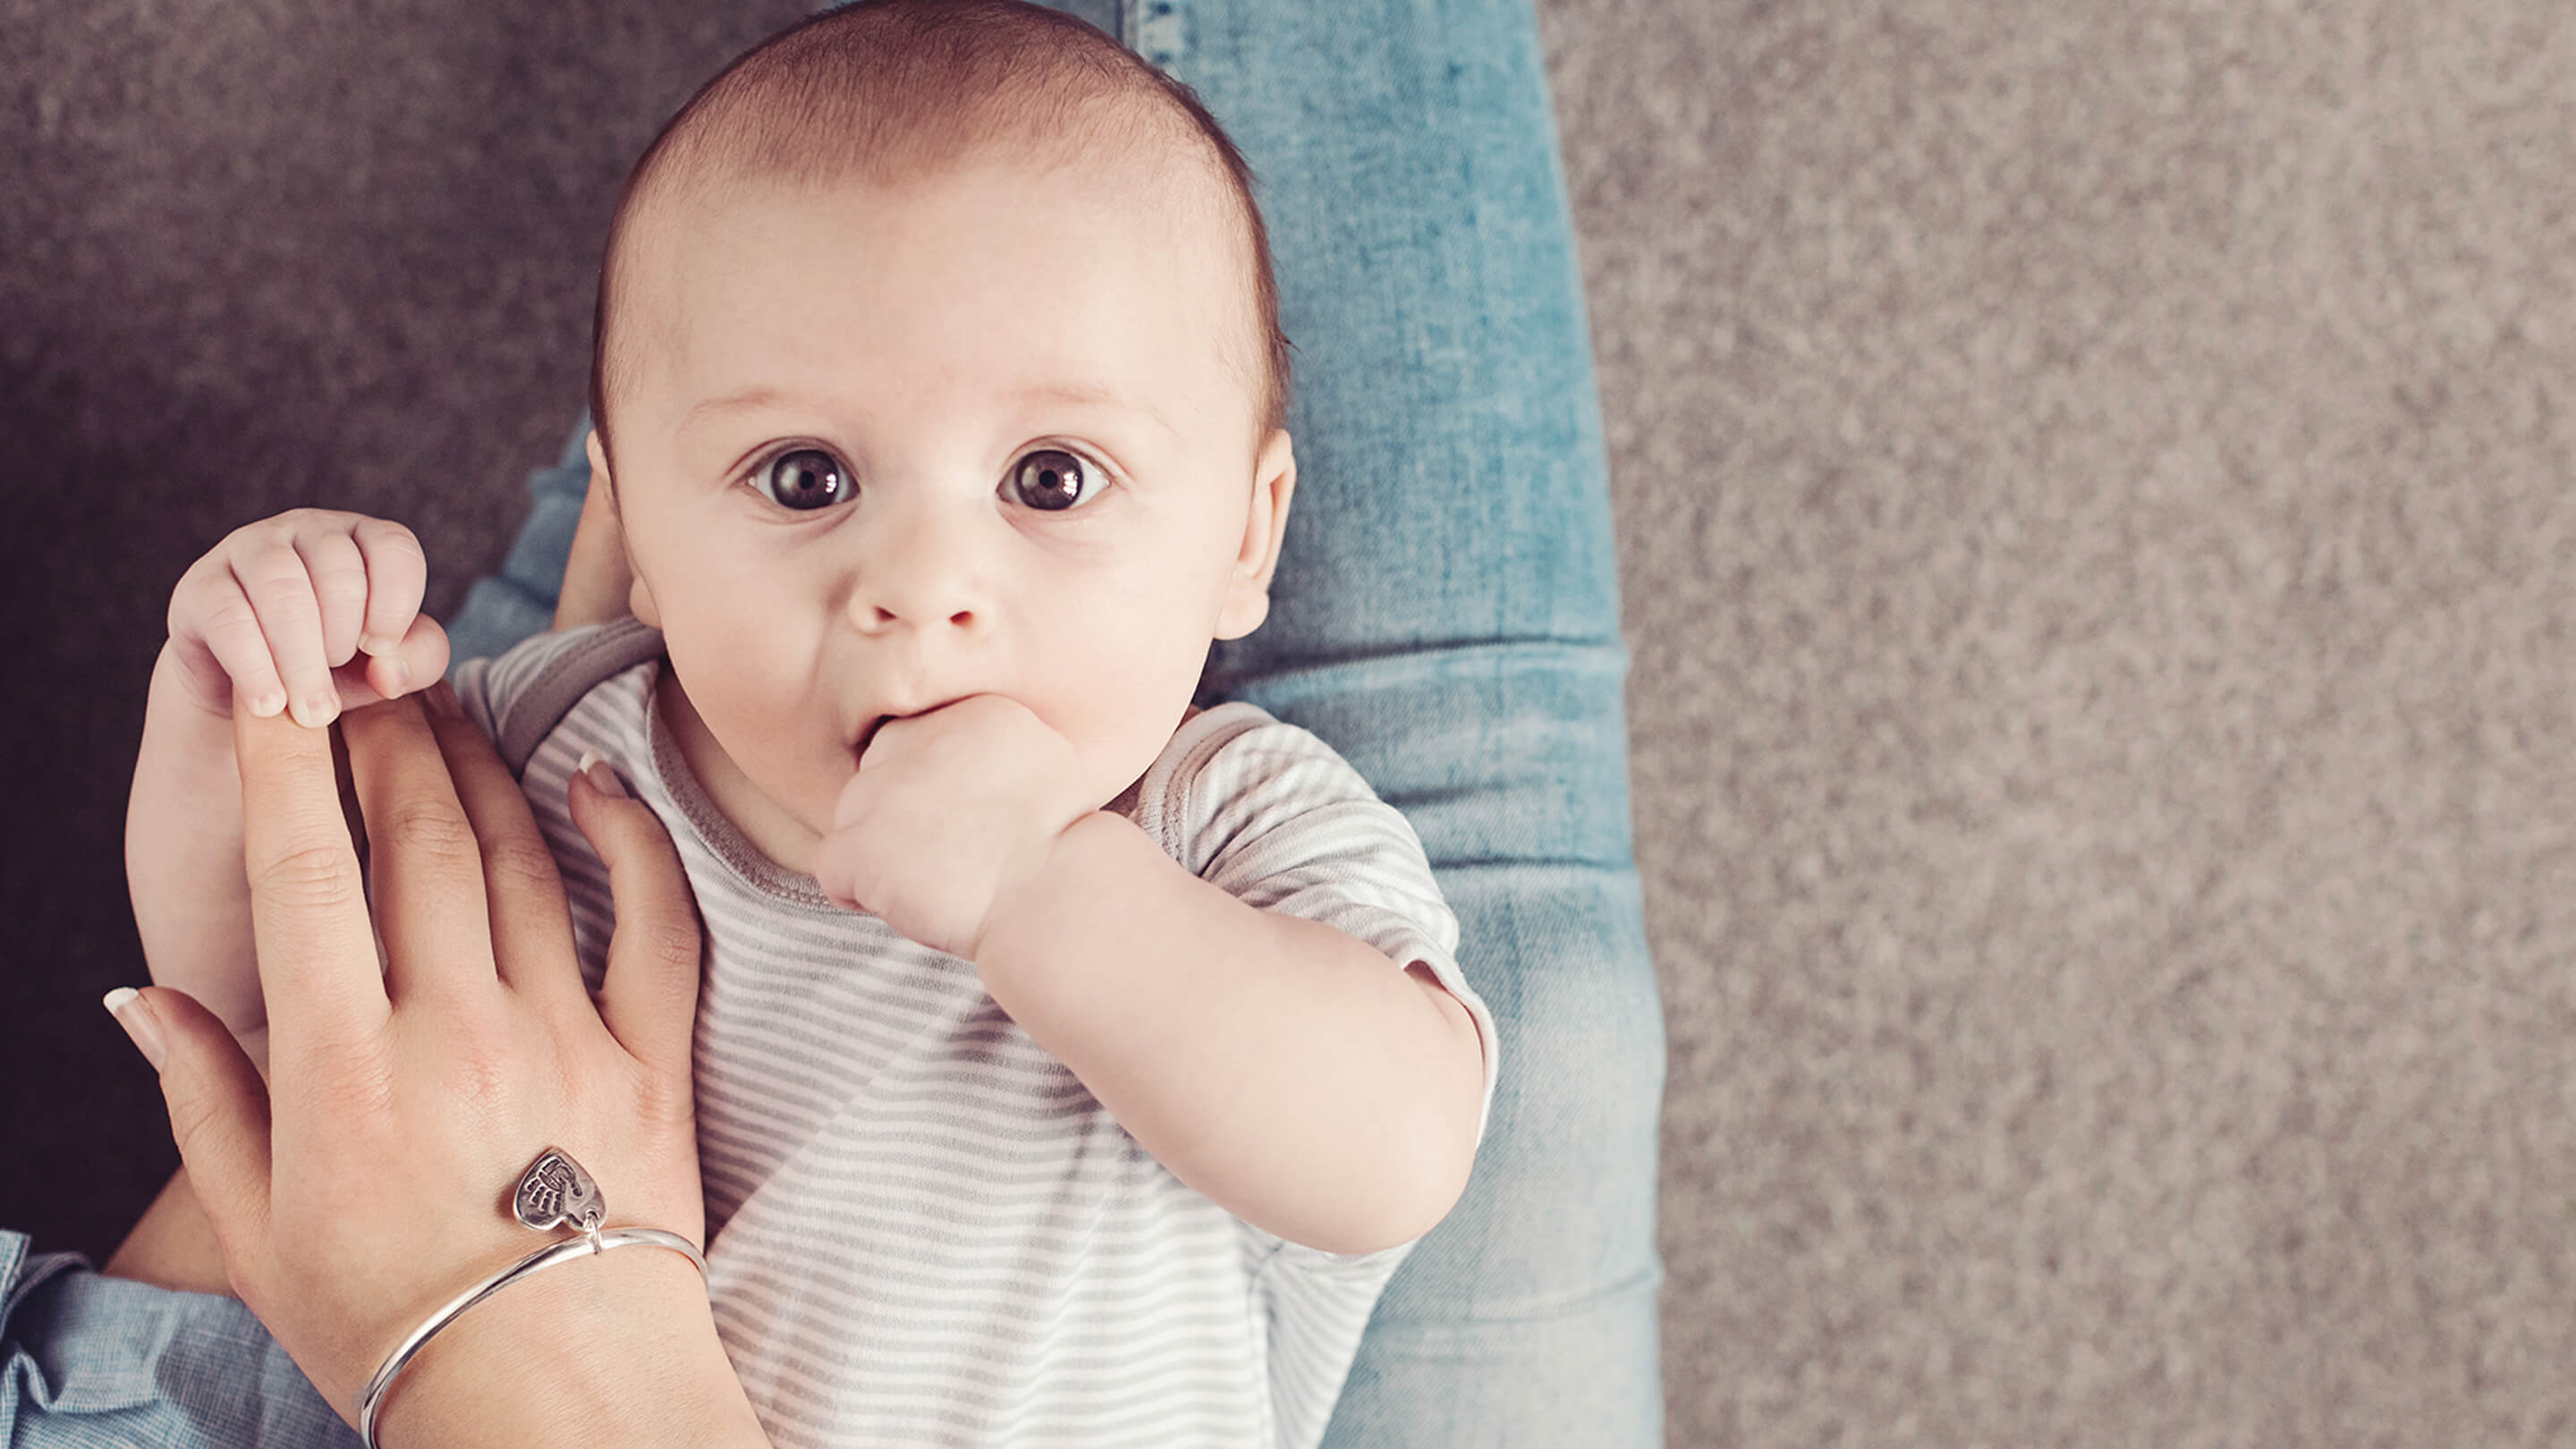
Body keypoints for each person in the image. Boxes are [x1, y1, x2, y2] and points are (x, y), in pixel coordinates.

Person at [1, 0, 1665, 1442]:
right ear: (634, 530)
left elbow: (1398, 1153)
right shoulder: (576, 740)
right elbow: (285, 1025)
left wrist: (1048, 892)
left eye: (1052, 480)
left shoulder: (1217, 820)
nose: (923, 583)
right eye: (806, 479)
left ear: (1248, 536)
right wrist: (240, 725)